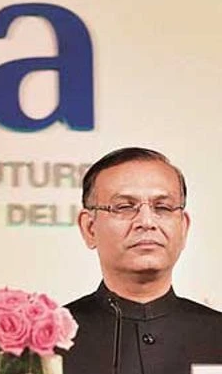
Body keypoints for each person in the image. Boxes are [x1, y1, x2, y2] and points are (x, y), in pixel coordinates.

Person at [63, 147, 222, 374]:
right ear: (90, 228)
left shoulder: (216, 335)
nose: (146, 221)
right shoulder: (48, 344)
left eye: (163, 207)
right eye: (125, 207)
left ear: (184, 227)